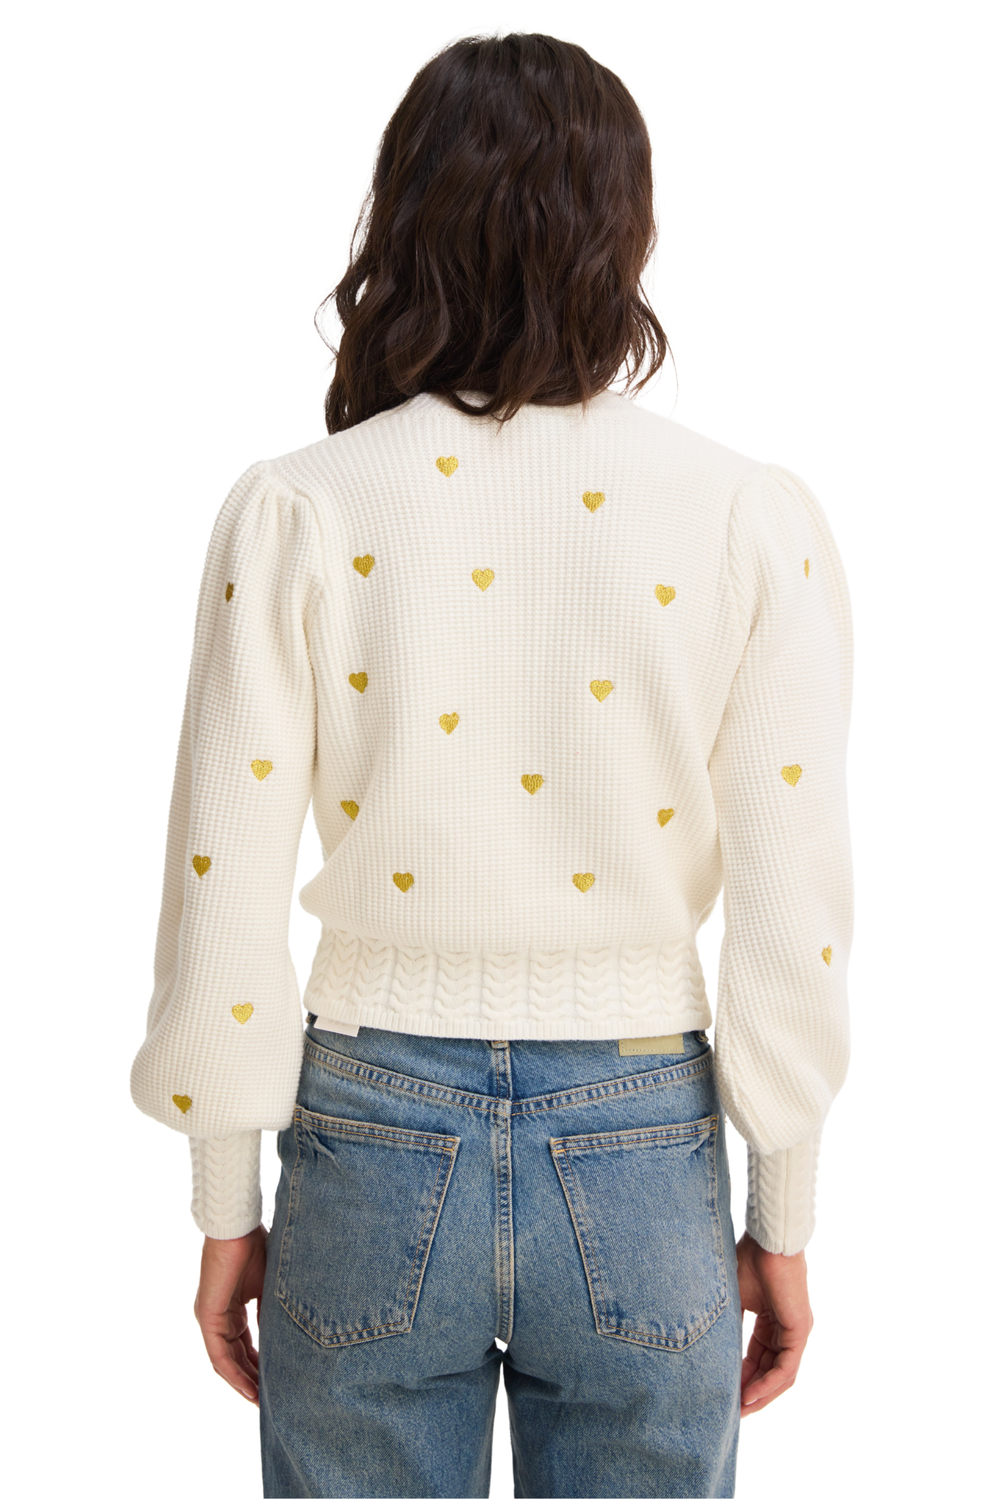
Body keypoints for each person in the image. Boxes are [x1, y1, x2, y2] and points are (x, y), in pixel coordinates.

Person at [131, 30, 852, 1499]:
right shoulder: (742, 516)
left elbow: (223, 878)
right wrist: (784, 1212)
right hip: (643, 1141)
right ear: (624, 231)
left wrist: (224, 1200)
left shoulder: (301, 509)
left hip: (370, 1130)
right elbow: (796, 906)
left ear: (404, 223)